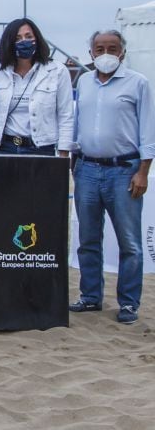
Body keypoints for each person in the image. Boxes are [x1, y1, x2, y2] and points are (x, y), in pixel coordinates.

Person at [71, 30, 154, 325]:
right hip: (87, 169)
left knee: (129, 242)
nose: (105, 53)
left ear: (122, 52)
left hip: (124, 170)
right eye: (99, 48)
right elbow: (77, 124)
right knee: (88, 238)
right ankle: (90, 296)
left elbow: (147, 130)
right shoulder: (83, 81)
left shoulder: (138, 83)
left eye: (112, 48)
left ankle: (129, 303)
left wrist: (143, 171)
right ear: (91, 52)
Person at [0, 18, 74, 157]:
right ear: (9, 42)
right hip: (4, 148)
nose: (24, 41)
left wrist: (64, 153)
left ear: (37, 39)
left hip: (41, 149)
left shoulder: (57, 71)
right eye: (18, 38)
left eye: (28, 36)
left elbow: (66, 115)